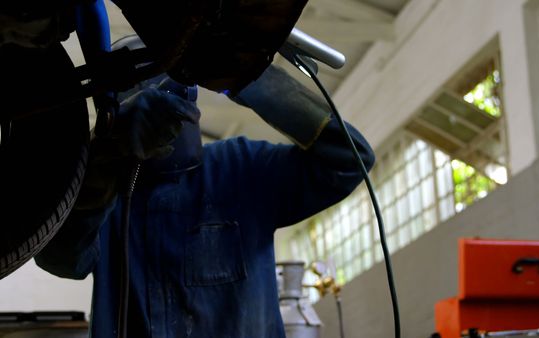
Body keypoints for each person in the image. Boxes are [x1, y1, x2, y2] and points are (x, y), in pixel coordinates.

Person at [35, 35, 375, 338]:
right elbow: (62, 260)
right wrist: (106, 154)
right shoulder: (106, 195)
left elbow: (349, 159)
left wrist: (248, 75)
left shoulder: (243, 171)